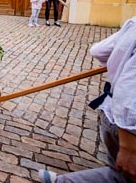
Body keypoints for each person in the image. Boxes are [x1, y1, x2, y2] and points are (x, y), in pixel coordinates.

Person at [38, 16, 136, 183]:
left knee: (117, 177)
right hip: (125, 123)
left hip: (112, 113)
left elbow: (98, 51)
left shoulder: (133, 22)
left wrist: (117, 62)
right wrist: (129, 146)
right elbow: (129, 87)